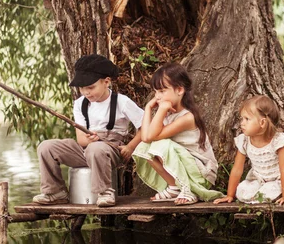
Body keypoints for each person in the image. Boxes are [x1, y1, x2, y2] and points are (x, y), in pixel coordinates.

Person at [33, 54, 144, 207]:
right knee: (46, 147)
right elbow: (81, 140)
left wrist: (130, 147)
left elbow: (145, 126)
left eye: (91, 87)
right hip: (85, 150)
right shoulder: (80, 104)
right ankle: (55, 191)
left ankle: (105, 191)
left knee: (96, 148)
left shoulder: (121, 102)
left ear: (106, 82)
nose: (86, 92)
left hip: (110, 149)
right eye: (82, 88)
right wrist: (89, 140)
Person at [133, 63, 223, 205]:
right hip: (186, 168)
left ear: (179, 90)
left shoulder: (187, 117)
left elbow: (152, 137)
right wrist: (148, 108)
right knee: (144, 147)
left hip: (201, 175)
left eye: (162, 91)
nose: (157, 97)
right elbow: (145, 138)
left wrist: (161, 110)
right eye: (155, 92)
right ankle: (175, 187)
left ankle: (190, 191)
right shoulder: (167, 114)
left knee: (161, 144)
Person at [213, 95, 284, 206]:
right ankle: (278, 192)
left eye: (247, 119)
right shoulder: (244, 141)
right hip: (259, 180)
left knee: (270, 191)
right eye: (241, 118)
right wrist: (230, 195)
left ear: (262, 123)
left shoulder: (277, 141)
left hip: (279, 180)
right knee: (241, 192)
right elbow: (237, 169)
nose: (242, 123)